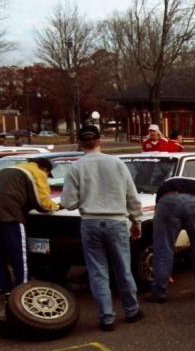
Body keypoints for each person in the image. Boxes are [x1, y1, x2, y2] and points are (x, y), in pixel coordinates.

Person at [61, 125, 144, 331]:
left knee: (98, 271)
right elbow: (132, 196)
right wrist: (137, 221)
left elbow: (68, 202)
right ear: (101, 141)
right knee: (123, 268)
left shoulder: (76, 167)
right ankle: (132, 310)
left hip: (90, 221)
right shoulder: (117, 163)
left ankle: (107, 317)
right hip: (116, 221)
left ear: (80, 143)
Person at [0, 158, 58, 297]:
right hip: (10, 214)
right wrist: (57, 206)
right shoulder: (37, 172)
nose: (46, 177)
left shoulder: (9, 169)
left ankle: (4, 286)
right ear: (45, 169)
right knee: (19, 253)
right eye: (48, 175)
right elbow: (43, 203)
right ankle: (23, 288)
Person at [145, 176, 195, 303]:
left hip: (167, 201)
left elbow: (158, 207)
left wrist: (163, 271)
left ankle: (159, 291)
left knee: (163, 248)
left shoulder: (166, 183)